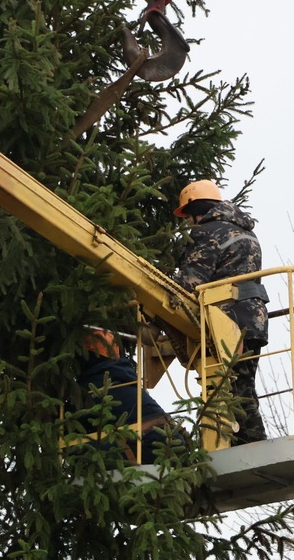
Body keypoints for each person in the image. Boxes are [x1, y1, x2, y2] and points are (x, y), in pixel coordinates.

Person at [172, 180, 269, 445]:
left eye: (189, 216)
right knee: (243, 384)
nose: (189, 223)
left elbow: (190, 282)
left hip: (226, 319)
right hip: (254, 318)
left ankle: (250, 442)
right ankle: (251, 441)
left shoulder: (207, 233)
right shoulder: (247, 232)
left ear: (195, 209)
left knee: (230, 387)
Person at [79, 328, 175, 463]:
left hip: (151, 446)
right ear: (90, 347)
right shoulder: (116, 378)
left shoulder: (112, 378)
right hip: (162, 445)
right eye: (105, 334)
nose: (115, 340)